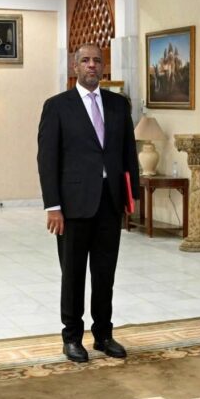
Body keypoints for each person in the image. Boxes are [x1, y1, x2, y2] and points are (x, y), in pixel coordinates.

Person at [37, 43, 139, 363]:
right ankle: (72, 337)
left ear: (103, 66)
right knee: (73, 274)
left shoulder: (119, 105)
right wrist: (53, 206)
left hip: (110, 202)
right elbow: (47, 160)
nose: (91, 65)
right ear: (75, 67)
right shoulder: (57, 106)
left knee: (105, 273)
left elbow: (129, 153)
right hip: (73, 206)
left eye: (96, 60)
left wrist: (132, 196)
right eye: (85, 60)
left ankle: (104, 335)